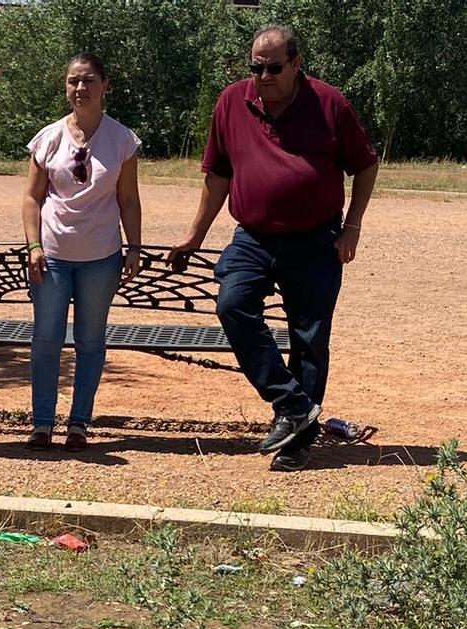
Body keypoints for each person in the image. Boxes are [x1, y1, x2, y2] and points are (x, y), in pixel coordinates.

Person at [167, 25, 378, 471]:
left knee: (309, 337)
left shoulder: (329, 103)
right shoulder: (232, 101)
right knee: (232, 304)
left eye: (273, 68)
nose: (263, 76)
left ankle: (298, 442)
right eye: (256, 68)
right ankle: (293, 404)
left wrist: (353, 226)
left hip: (316, 238)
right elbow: (218, 177)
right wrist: (195, 235)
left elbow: (365, 165)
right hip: (254, 235)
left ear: (296, 64)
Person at [22, 53, 143, 452]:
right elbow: (31, 198)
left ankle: (79, 423)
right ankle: (42, 423)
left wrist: (134, 247)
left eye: (89, 80)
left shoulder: (122, 140)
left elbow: (128, 199)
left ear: (105, 85)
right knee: (46, 338)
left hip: (101, 257)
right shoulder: (48, 138)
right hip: (52, 256)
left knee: (90, 341)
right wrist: (34, 245)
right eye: (73, 80)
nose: (80, 88)